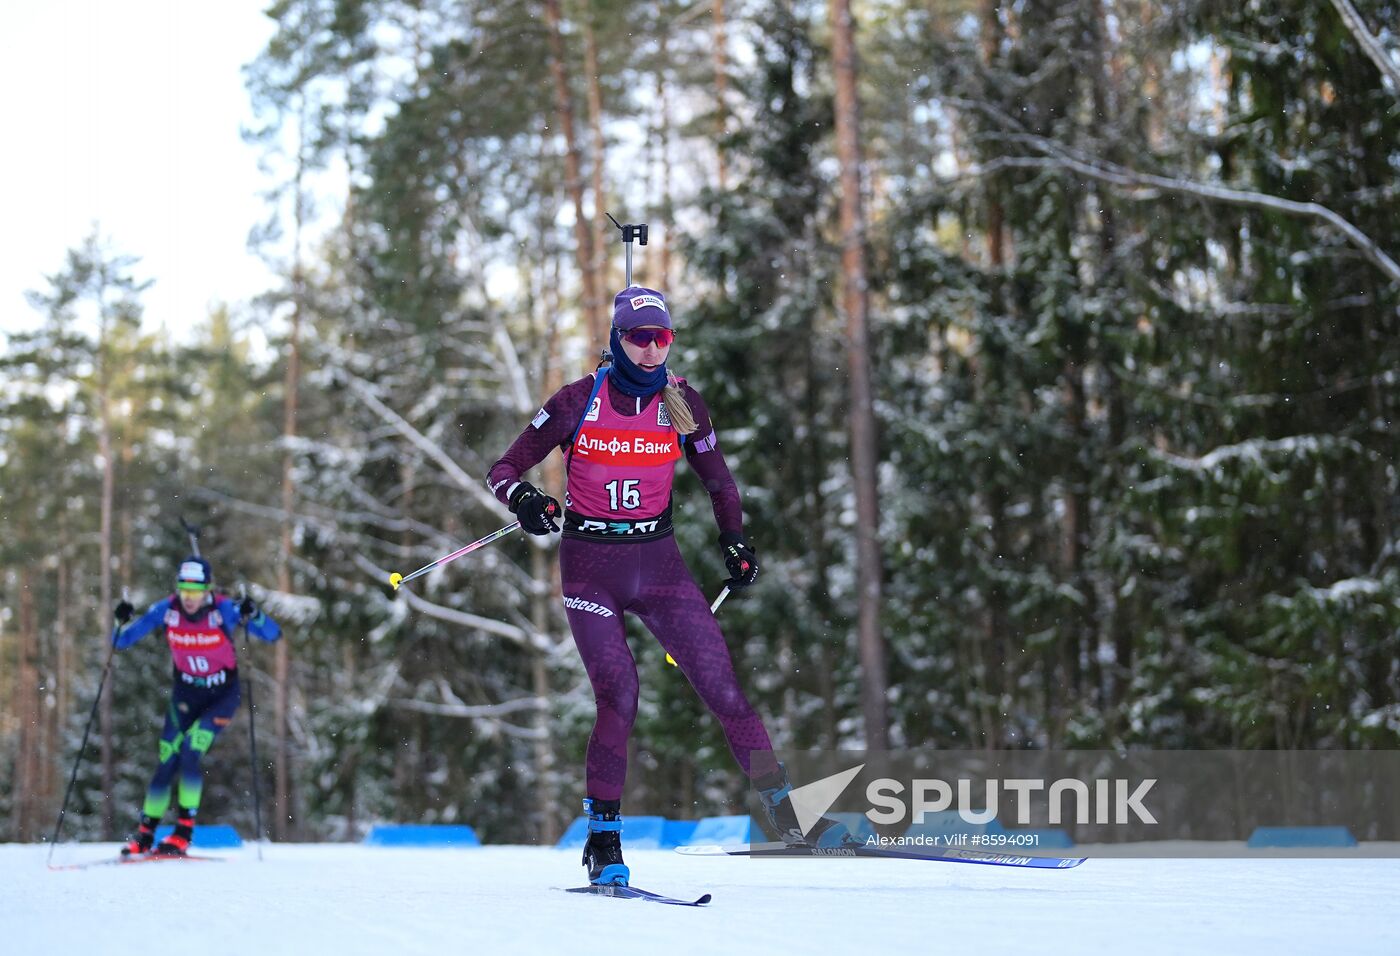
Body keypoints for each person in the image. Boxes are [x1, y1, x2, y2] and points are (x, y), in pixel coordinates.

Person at [487, 286, 854, 886]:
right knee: (620, 696)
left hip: (659, 565)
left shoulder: (683, 404)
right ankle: (603, 842)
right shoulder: (577, 400)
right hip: (590, 566)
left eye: (663, 338)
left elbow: (720, 483)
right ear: (617, 340)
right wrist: (524, 498)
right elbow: (501, 470)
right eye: (640, 338)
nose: (652, 350)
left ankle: (791, 819)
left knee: (724, 689)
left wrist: (734, 540)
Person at [111, 555, 281, 856]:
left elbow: (272, 635)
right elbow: (121, 642)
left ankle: (183, 833)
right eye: (184, 590)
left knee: (190, 752)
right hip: (185, 697)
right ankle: (145, 835)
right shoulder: (167, 610)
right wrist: (119, 620)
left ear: (208, 590)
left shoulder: (224, 610)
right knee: (167, 760)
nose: (189, 598)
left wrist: (254, 614)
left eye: (196, 591)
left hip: (221, 698)